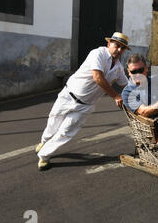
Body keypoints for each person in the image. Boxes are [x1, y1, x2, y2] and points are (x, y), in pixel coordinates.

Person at [35, 32, 130, 171]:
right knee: (52, 124)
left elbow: (127, 85)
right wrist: (115, 96)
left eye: (123, 48)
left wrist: (141, 93)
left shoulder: (119, 68)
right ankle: (44, 142)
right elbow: (97, 77)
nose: (119, 50)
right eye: (117, 46)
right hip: (68, 96)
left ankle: (44, 156)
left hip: (85, 106)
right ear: (109, 44)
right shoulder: (98, 53)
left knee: (65, 132)